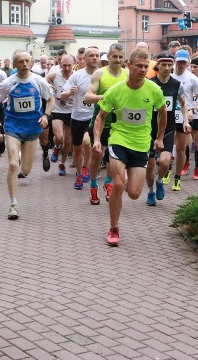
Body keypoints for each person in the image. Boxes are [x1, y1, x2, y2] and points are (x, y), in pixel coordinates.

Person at [93, 49, 166, 246]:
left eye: (146, 66)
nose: (143, 70)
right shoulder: (115, 91)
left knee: (134, 193)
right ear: (129, 66)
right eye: (139, 66)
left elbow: (162, 112)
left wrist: (159, 137)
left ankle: (120, 184)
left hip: (141, 144)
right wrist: (97, 139)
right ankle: (114, 228)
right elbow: (100, 117)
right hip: (119, 140)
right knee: (118, 184)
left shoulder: (154, 90)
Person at [0, 50, 54, 220]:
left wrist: (46, 115)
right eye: (20, 61)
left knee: (26, 169)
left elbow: (51, 99)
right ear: (15, 64)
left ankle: (18, 156)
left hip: (32, 128)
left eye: (27, 61)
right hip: (13, 126)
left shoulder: (38, 81)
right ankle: (13, 204)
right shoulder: (8, 83)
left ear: (32, 64)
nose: (24, 64)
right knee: (12, 165)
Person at [84, 43, 128, 204]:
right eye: (114, 56)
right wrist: (106, 98)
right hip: (100, 121)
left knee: (112, 158)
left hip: (119, 124)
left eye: (120, 57)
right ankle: (94, 184)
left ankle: (108, 183)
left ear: (124, 59)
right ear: (108, 57)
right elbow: (88, 97)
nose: (117, 59)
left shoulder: (127, 75)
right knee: (97, 155)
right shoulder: (99, 74)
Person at [146, 51, 188, 206]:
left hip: (168, 128)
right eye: (163, 65)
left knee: (164, 162)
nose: (167, 68)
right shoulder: (149, 84)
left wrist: (185, 121)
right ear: (158, 66)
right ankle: (150, 191)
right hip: (149, 130)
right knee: (150, 165)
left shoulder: (177, 85)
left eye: (170, 65)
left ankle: (159, 181)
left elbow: (183, 103)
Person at [60, 46, 98, 190]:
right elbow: (62, 95)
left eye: (97, 55)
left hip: (93, 116)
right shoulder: (77, 75)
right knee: (76, 149)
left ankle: (86, 167)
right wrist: (69, 92)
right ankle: (79, 173)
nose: (95, 58)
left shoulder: (102, 75)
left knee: (86, 142)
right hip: (77, 116)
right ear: (85, 58)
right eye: (91, 55)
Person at [171, 49, 198, 190]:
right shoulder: (168, 75)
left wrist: (193, 110)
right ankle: (167, 169)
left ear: (188, 63)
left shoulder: (192, 78)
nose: (181, 65)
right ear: (175, 61)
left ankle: (178, 175)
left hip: (185, 115)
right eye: (179, 62)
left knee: (182, 147)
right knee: (167, 146)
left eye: (184, 62)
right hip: (170, 114)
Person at [45, 54, 75, 176]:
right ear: (60, 63)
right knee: (59, 136)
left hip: (71, 111)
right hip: (57, 109)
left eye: (69, 65)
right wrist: (48, 85)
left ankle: (62, 164)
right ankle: (57, 147)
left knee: (68, 142)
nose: (66, 68)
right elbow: (44, 80)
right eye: (64, 65)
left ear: (74, 64)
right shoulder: (55, 74)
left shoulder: (76, 75)